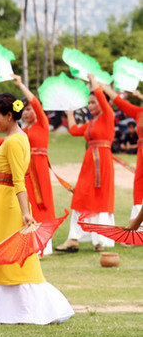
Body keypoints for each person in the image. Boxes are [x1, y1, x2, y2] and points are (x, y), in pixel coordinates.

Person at [0, 93, 74, 324]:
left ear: (10, 116)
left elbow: (19, 179)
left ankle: (22, 309)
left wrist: (25, 213)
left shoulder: (16, 140)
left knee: (13, 256)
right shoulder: (12, 139)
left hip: (9, 205)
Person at [0, 75, 57, 254]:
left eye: (29, 109)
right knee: (26, 201)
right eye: (24, 110)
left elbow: (37, 105)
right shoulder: (22, 131)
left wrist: (21, 85)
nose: (26, 113)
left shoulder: (42, 124)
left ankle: (44, 244)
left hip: (39, 169)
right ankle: (32, 240)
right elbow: (4, 143)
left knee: (43, 203)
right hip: (24, 170)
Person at [56, 75, 115, 252]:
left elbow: (101, 97)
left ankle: (100, 240)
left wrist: (93, 81)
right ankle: (73, 238)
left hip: (102, 163)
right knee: (80, 197)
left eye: (94, 102)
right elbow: (74, 130)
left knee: (99, 198)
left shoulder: (108, 116)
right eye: (89, 103)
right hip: (89, 163)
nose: (90, 106)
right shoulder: (92, 123)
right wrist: (70, 114)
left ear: (102, 103)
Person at [104, 87, 143, 221]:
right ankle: (137, 224)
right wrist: (101, 85)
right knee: (139, 185)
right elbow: (119, 101)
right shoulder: (139, 112)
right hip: (141, 152)